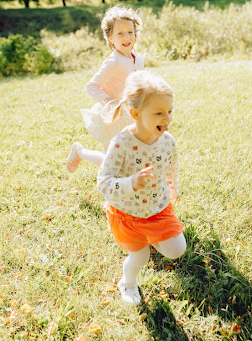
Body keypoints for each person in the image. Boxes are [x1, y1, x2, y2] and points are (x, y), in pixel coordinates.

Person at [97, 70, 186, 305]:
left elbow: (172, 166)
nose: (167, 118)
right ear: (135, 113)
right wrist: (130, 183)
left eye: (169, 111)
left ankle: (153, 235)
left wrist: (173, 186)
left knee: (177, 249)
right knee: (140, 256)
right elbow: (104, 182)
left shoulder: (168, 141)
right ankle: (128, 282)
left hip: (158, 208)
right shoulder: (121, 143)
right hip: (128, 213)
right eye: (158, 113)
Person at [66, 5, 144, 172]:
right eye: (120, 33)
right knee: (111, 164)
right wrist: (110, 103)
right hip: (112, 118)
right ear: (110, 37)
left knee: (132, 155)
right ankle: (80, 151)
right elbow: (91, 86)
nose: (126, 37)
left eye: (130, 32)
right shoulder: (114, 62)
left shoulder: (138, 60)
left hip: (130, 116)